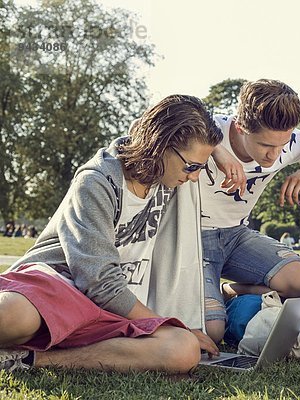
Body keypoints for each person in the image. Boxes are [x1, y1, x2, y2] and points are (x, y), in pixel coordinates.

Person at [0, 94, 223, 373]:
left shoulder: (167, 178)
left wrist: (219, 153)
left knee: (181, 349)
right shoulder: (95, 182)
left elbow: (169, 121)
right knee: (12, 317)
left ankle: (30, 360)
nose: (194, 177)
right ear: (160, 145)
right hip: (61, 285)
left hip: (109, 308)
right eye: (192, 167)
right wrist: (158, 321)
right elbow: (100, 282)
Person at [199, 79, 300, 343]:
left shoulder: (290, 143)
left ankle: (228, 291)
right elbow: (156, 126)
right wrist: (215, 149)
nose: (275, 155)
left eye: (283, 144)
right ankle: (214, 307)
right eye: (266, 145)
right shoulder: (206, 129)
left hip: (237, 235)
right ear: (241, 126)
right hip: (193, 239)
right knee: (212, 332)